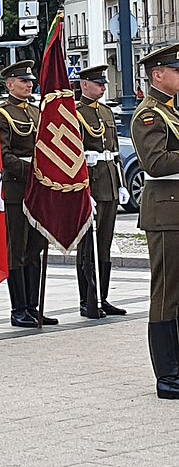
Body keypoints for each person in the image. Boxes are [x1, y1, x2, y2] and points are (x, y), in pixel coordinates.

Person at [130, 44, 179, 399]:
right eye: (176, 70)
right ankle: (166, 374)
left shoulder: (172, 112)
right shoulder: (149, 115)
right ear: (157, 74)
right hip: (165, 211)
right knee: (166, 292)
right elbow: (156, 163)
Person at [0, 60, 59, 327]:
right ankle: (18, 308)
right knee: (17, 249)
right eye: (23, 81)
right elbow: (3, 155)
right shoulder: (3, 114)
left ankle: (33, 305)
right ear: (10, 84)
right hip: (16, 189)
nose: (29, 84)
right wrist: (32, 169)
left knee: (36, 248)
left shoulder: (37, 113)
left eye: (30, 81)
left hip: (38, 191)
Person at [75, 65, 129, 318]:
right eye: (98, 83)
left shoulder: (106, 112)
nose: (103, 87)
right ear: (84, 84)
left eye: (103, 84)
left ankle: (103, 297)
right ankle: (88, 299)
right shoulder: (75, 113)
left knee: (104, 244)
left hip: (108, 183)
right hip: (91, 184)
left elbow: (115, 152)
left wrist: (121, 184)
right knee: (88, 246)